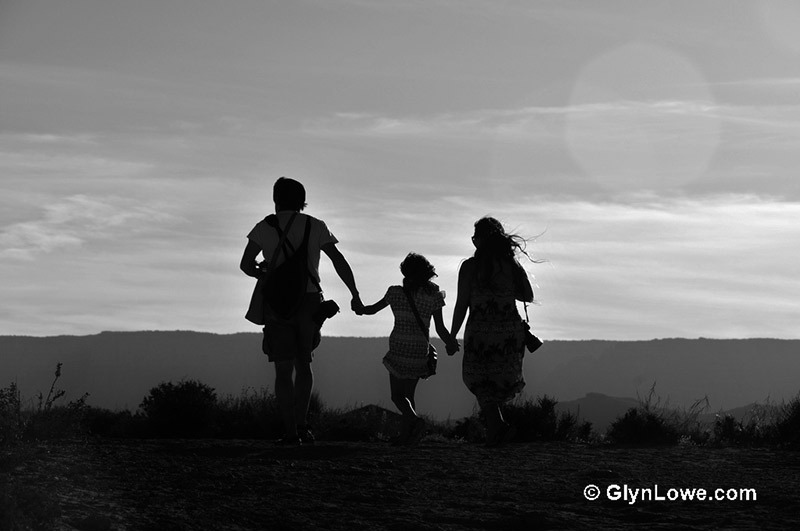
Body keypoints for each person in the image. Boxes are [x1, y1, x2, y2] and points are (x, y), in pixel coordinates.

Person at [240, 177, 364, 445]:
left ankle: (290, 433)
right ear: (302, 200)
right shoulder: (315, 225)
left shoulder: (264, 227)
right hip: (309, 301)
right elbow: (338, 260)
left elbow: (246, 265)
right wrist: (354, 294)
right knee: (304, 364)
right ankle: (303, 425)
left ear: (276, 199)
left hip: (277, 303)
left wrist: (263, 271)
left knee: (283, 371)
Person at [448, 217, 535, 447]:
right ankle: (497, 429)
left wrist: (451, 334)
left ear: (479, 240)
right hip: (509, 332)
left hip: (481, 332)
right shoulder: (511, 266)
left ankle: (497, 429)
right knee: (497, 380)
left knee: (477, 378)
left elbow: (461, 304)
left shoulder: (469, 267)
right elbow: (528, 295)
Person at [356, 253, 459, 446]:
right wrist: (451, 343)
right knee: (409, 396)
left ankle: (414, 422)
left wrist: (359, 308)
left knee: (397, 396)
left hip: (399, 348)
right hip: (420, 350)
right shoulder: (434, 295)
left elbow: (371, 310)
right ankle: (407, 436)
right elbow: (440, 328)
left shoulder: (395, 293)